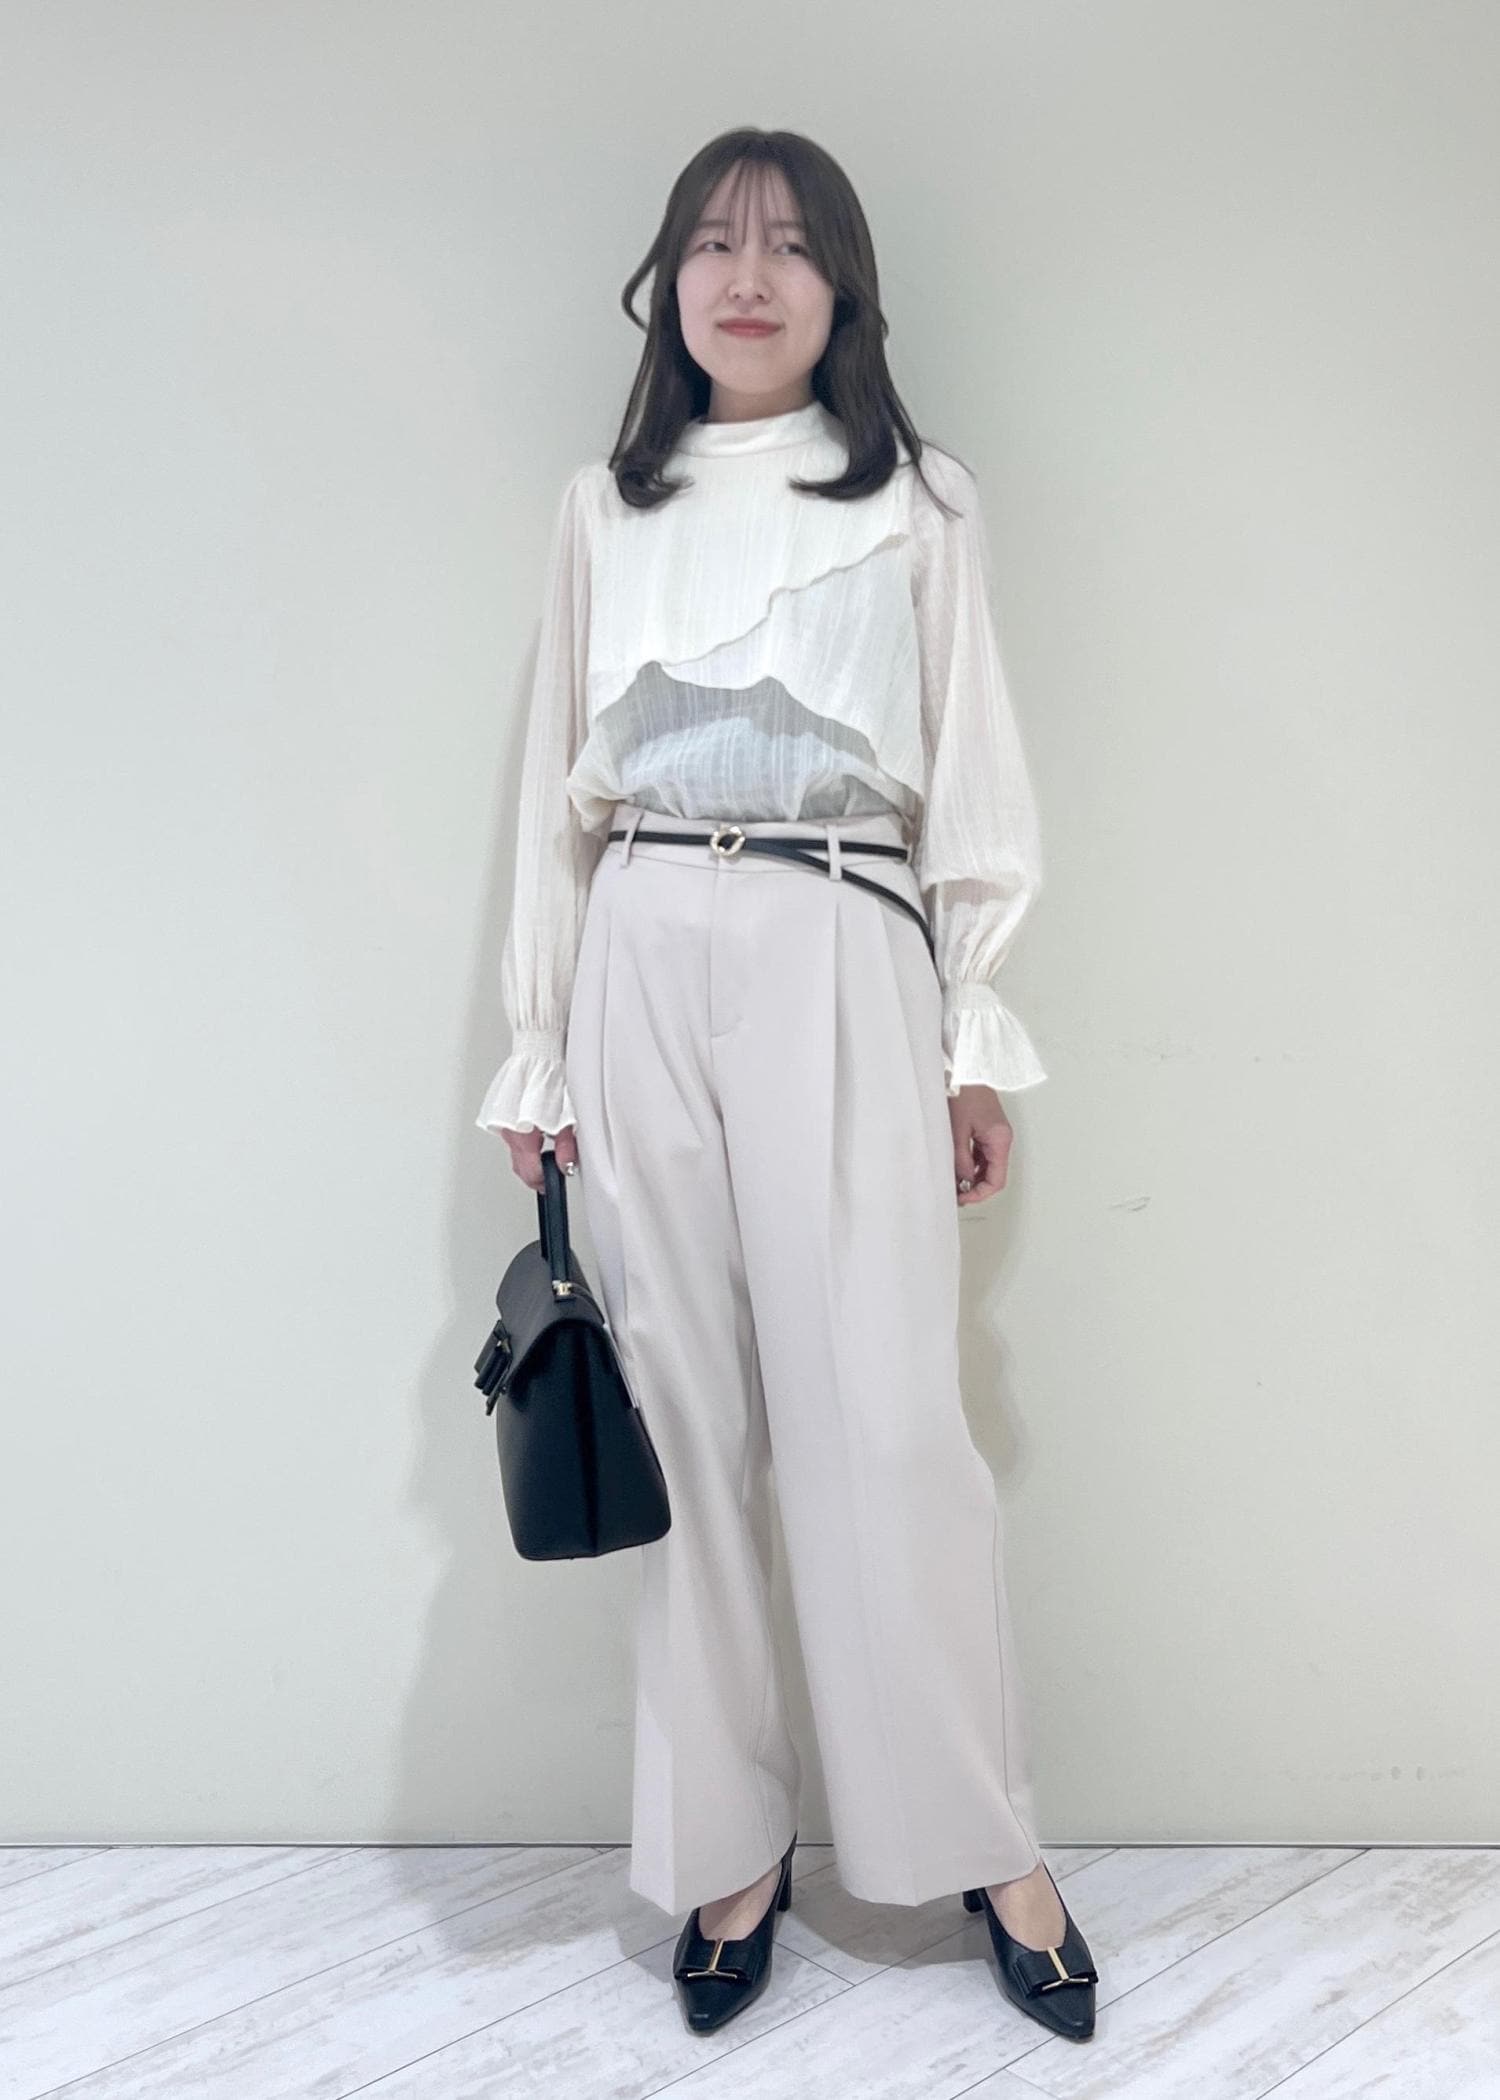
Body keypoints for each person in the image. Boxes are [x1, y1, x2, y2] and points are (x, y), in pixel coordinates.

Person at [476, 129, 1099, 2043]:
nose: (747, 279)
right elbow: (552, 800)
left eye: (791, 246)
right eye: (713, 244)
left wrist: (970, 1029)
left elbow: (972, 771)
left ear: (845, 288)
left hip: (848, 928)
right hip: (643, 934)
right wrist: (537, 1038)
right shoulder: (605, 507)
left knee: (887, 1421)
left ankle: (982, 1838)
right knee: (678, 1415)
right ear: (666, 283)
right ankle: (728, 1846)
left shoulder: (917, 498)